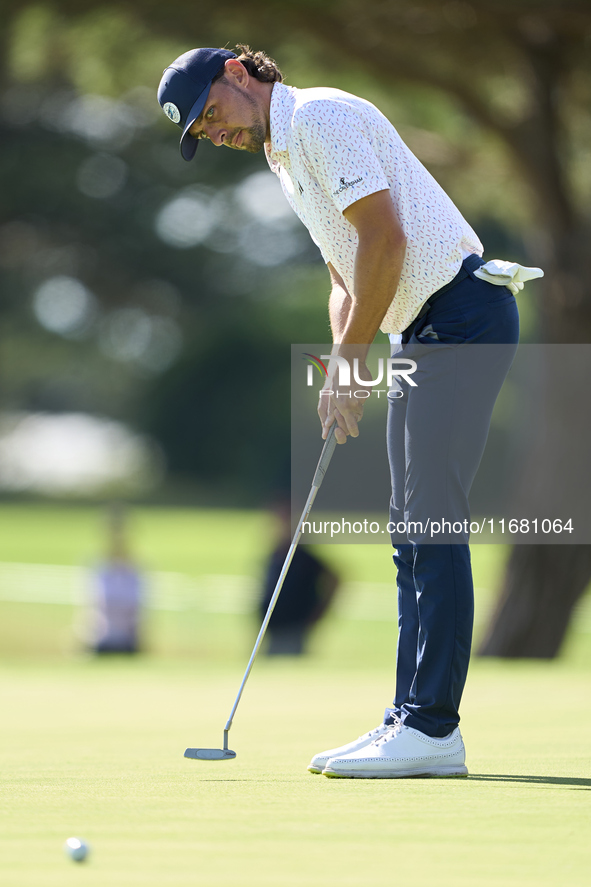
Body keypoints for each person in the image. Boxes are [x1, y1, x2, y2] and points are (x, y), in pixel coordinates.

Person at [157, 45, 531, 778]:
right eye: (201, 133)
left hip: (461, 313)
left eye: (212, 114)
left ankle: (431, 726)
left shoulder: (320, 118)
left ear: (239, 72)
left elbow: (384, 239)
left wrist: (356, 361)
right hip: (420, 328)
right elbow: (343, 266)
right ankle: (407, 717)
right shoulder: (284, 157)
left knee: (429, 519)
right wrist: (340, 366)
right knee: (408, 527)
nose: (215, 133)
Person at [259, 498, 339, 656]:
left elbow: (334, 579)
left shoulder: (302, 555)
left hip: (292, 629)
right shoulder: (276, 552)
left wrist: (317, 614)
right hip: (274, 629)